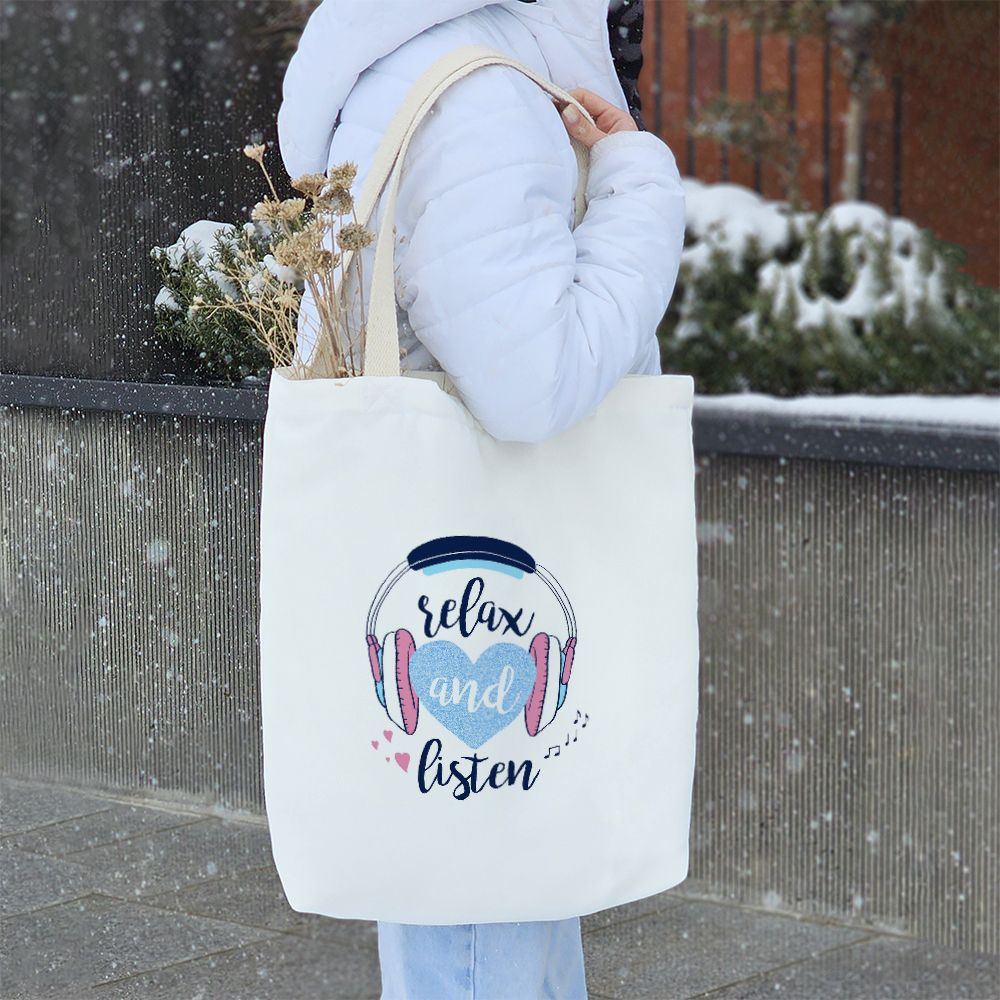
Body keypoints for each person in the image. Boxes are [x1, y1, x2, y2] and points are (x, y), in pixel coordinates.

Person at [278, 1, 685, 996]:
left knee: (487, 896)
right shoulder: (479, 95)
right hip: (493, 557)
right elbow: (532, 384)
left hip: (460, 564)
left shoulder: (432, 60)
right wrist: (637, 185)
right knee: (482, 917)